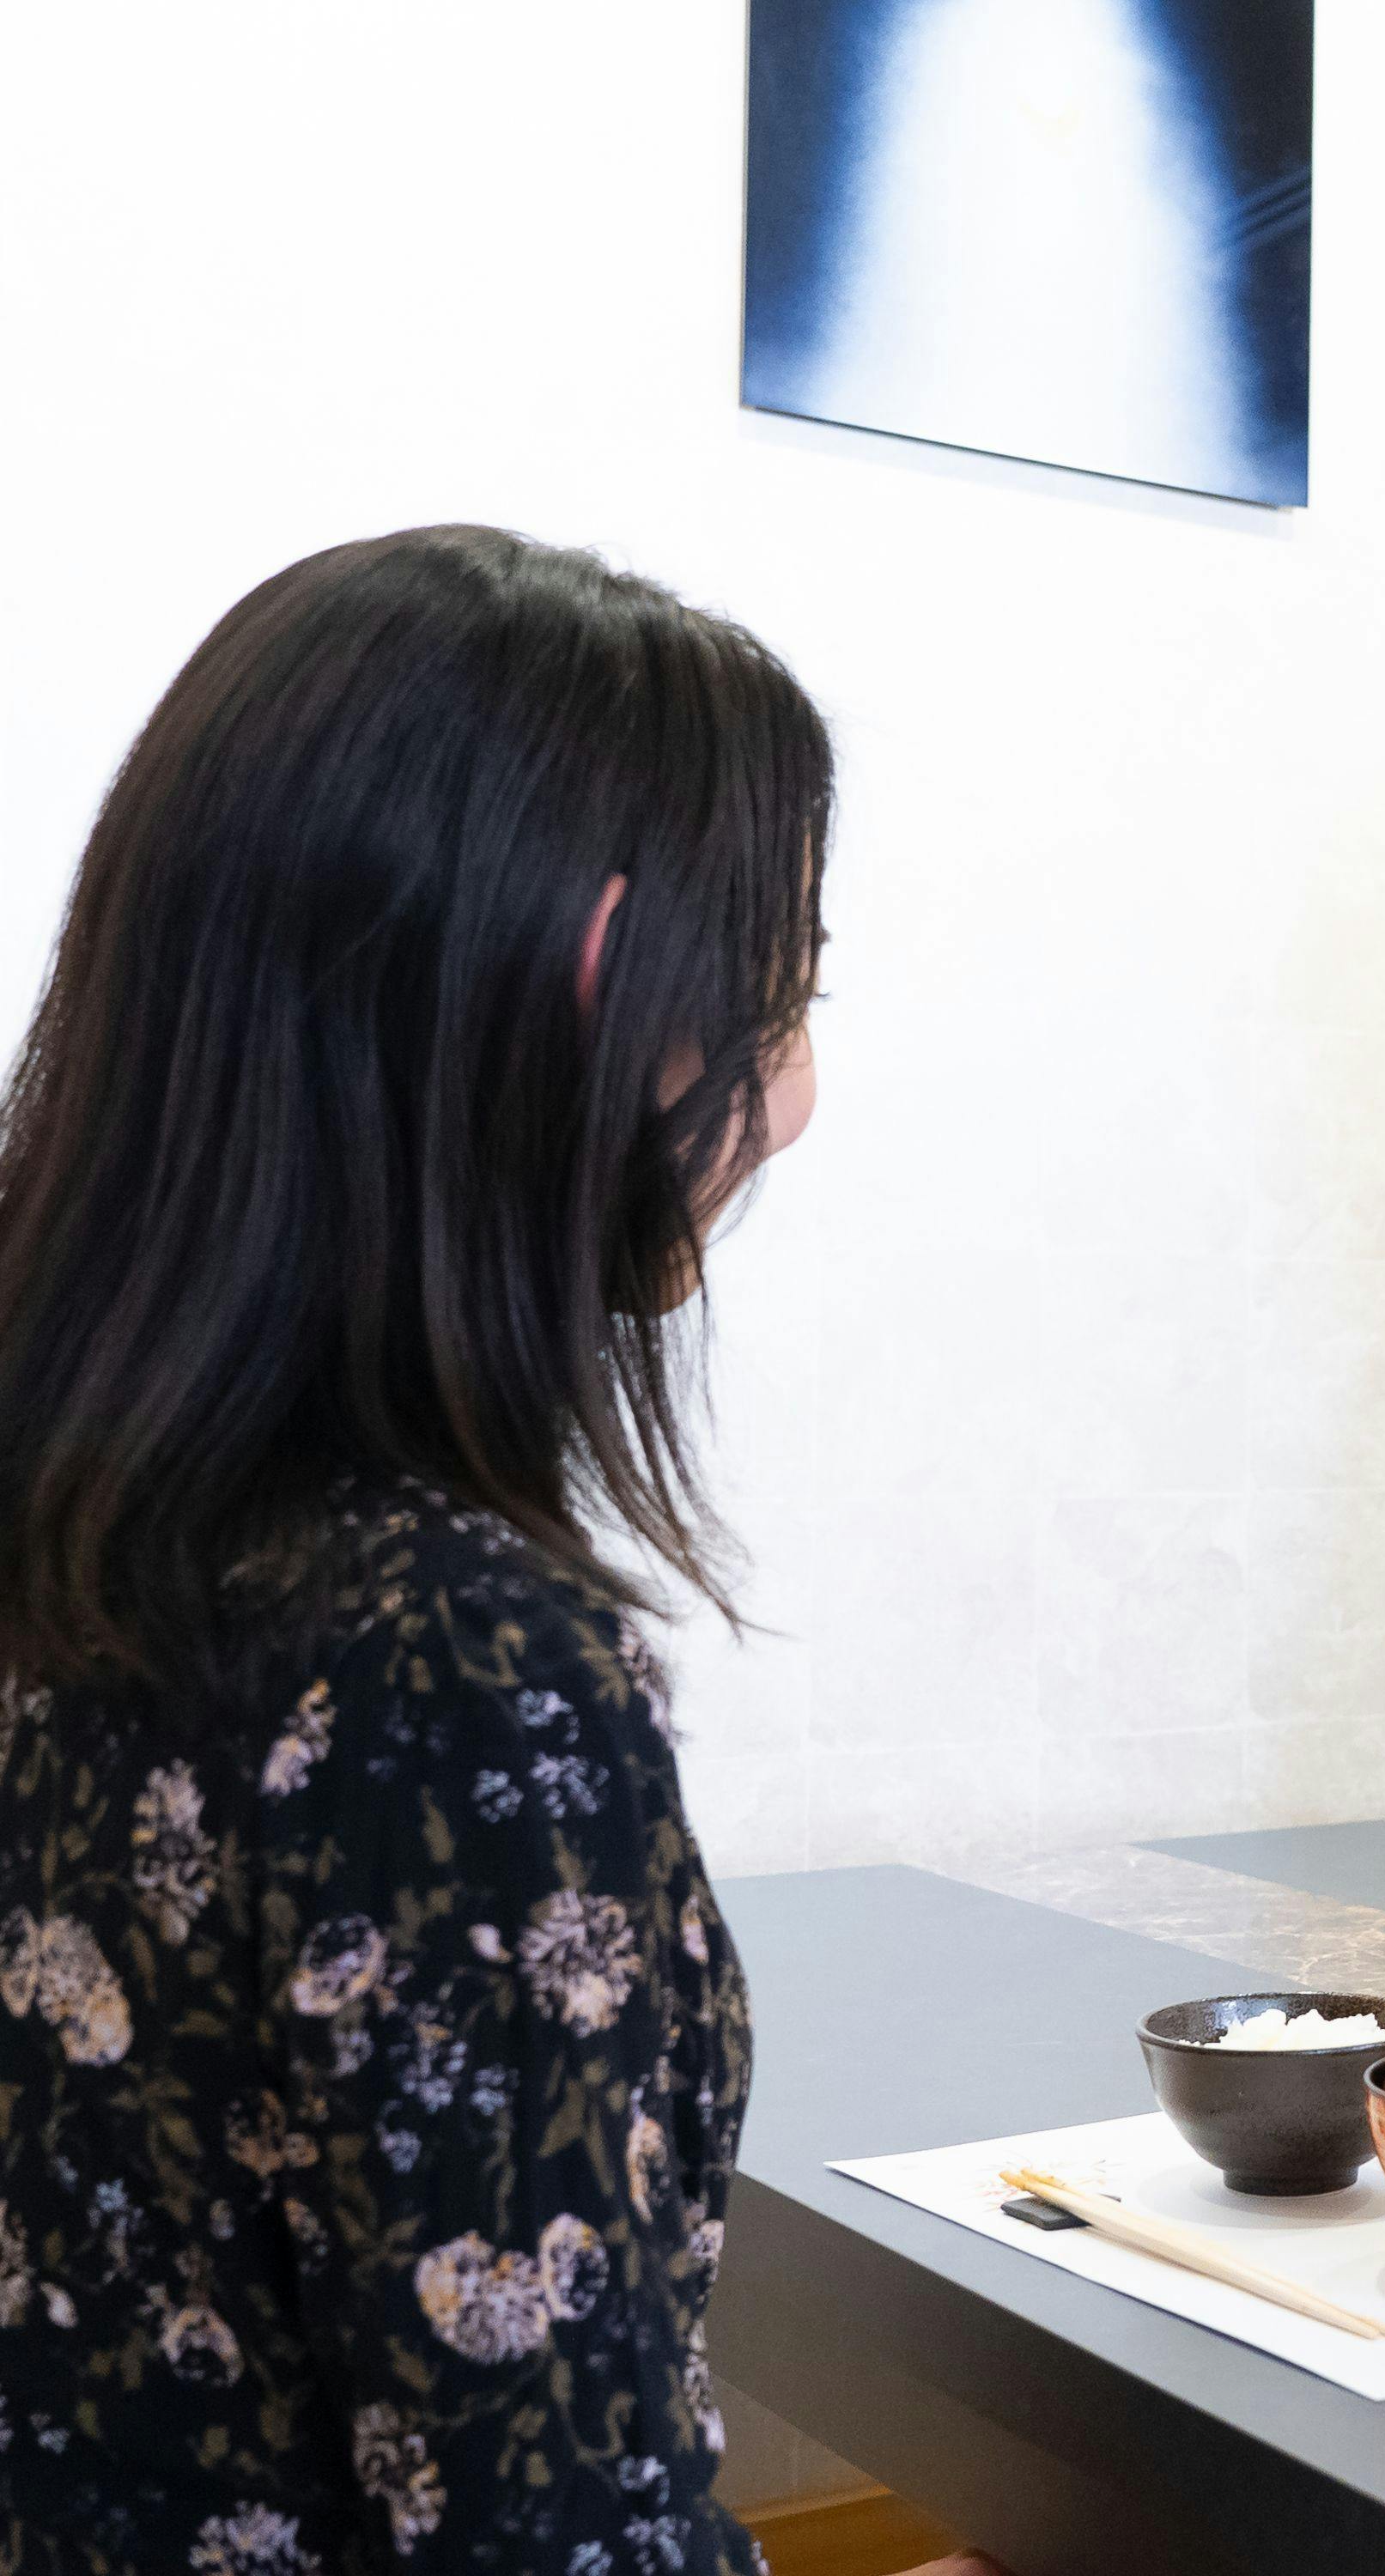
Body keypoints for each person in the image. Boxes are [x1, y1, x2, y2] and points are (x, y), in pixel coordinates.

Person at [0, 529, 983, 2573]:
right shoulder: (450, 1665)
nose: (791, 1098)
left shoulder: (77, 1521)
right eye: (778, 993)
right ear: (608, 983)